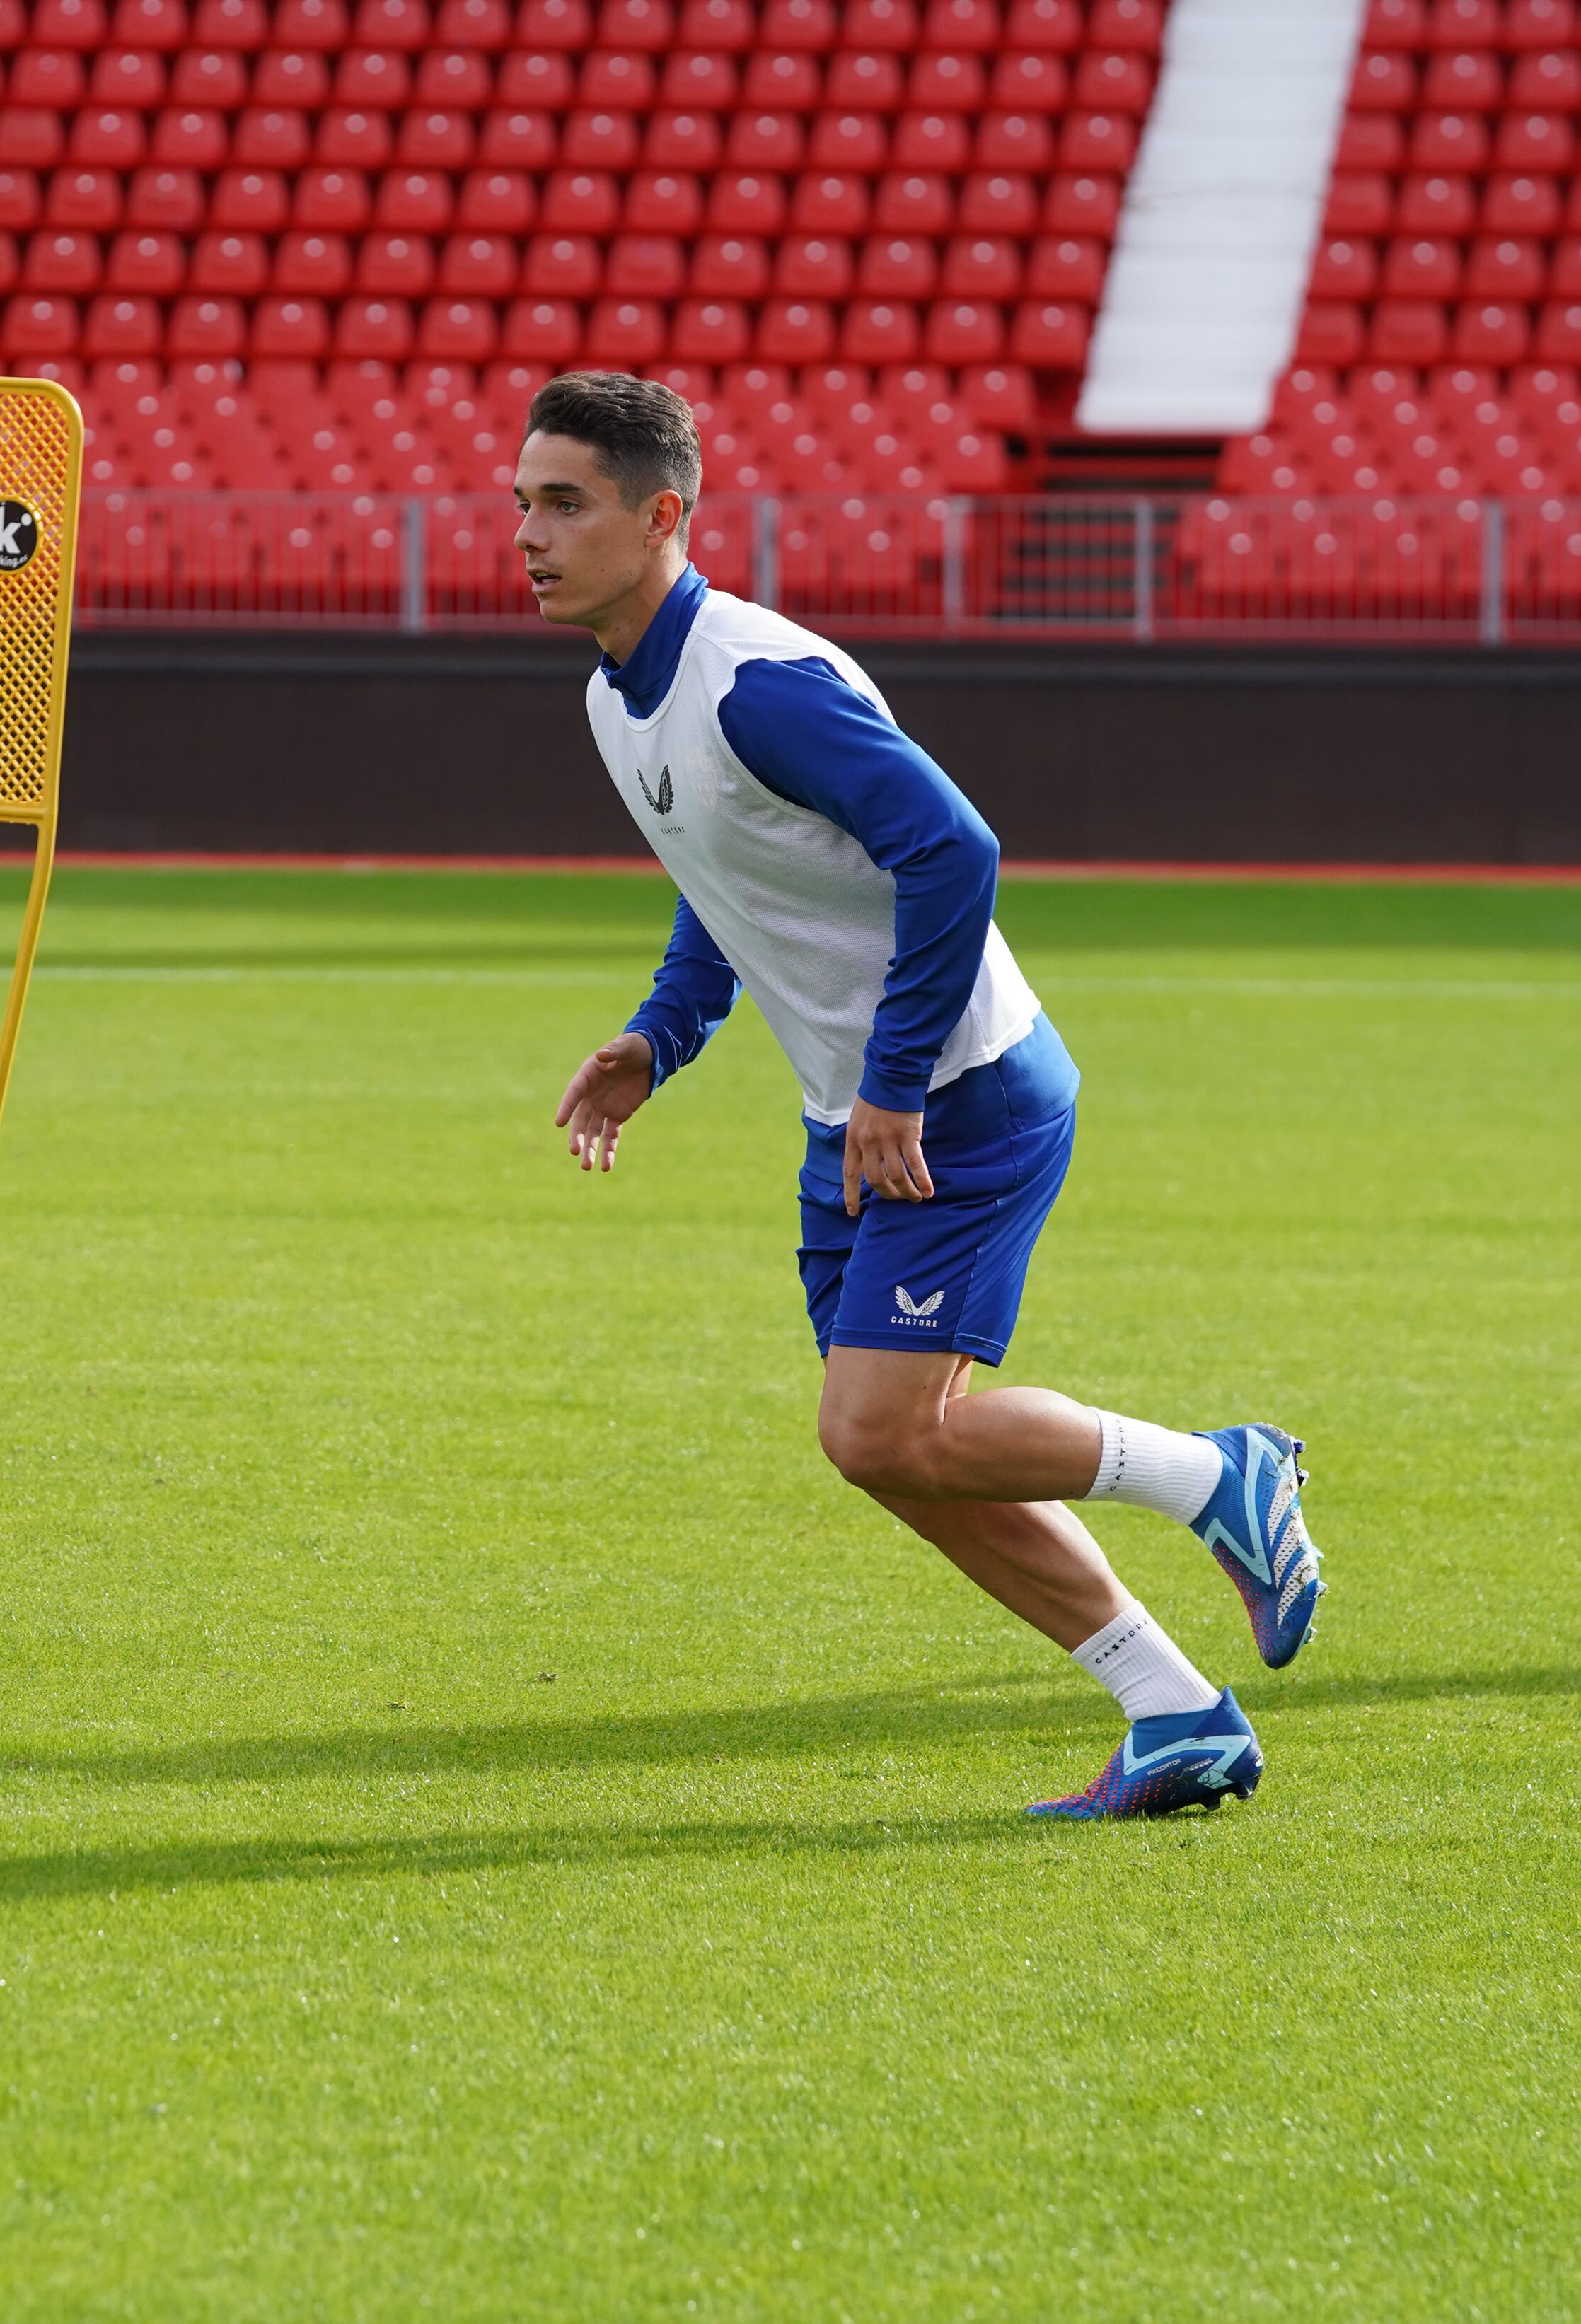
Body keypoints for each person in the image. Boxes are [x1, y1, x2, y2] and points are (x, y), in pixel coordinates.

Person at [512, 371, 1324, 1816]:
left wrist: (892, 1084)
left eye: (565, 502)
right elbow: (732, 885)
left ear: (663, 518)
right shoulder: (609, 697)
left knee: (879, 1428)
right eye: (523, 501)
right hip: (862, 1113)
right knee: (896, 1453)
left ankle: (1219, 1474)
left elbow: (954, 849)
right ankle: (1176, 1708)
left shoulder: (755, 684)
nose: (530, 531)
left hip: (963, 1095)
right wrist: (660, 1037)